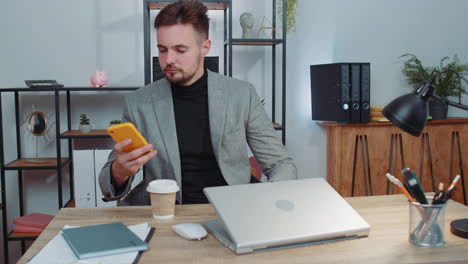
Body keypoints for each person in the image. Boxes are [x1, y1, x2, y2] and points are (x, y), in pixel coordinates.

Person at [99, 0, 297, 206]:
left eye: (180, 50)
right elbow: (108, 186)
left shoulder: (242, 94)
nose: (168, 60)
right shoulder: (138, 103)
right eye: (163, 49)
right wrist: (119, 172)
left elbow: (280, 163)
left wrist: (271, 200)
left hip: (233, 208)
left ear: (205, 48)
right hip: (167, 212)